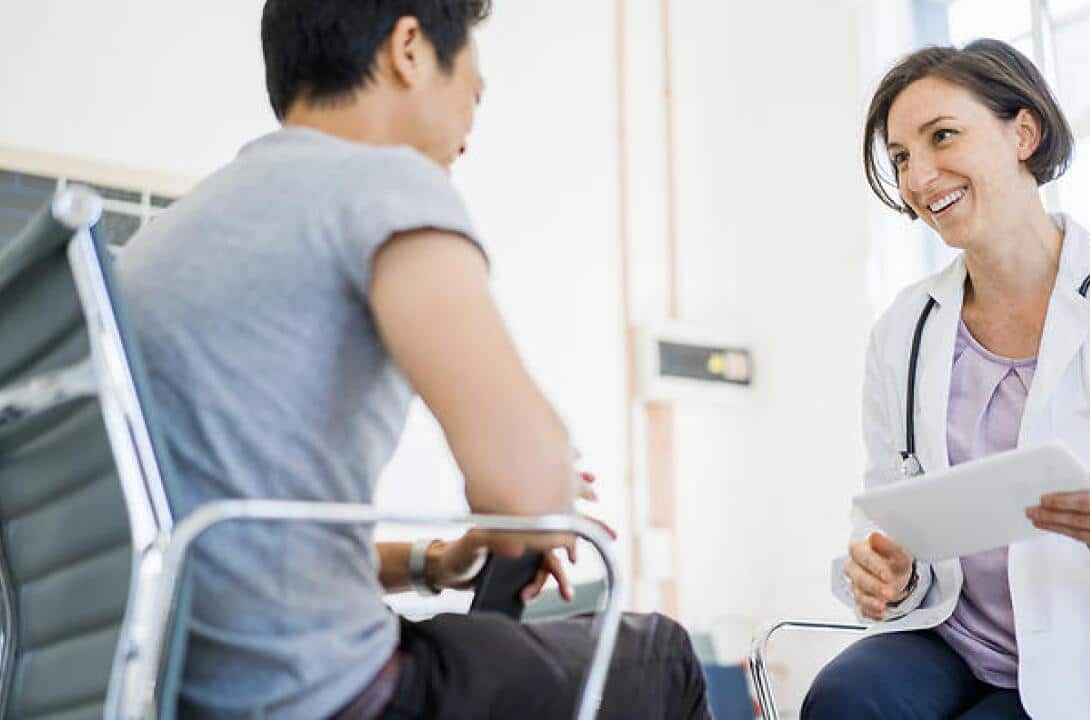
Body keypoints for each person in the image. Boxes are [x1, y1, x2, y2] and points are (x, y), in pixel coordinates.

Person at [118, 1, 711, 718]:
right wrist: (540, 495)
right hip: (325, 694)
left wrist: (439, 561)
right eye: (472, 92)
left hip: (181, 691)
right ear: (408, 49)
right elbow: (528, 490)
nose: (467, 131)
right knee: (662, 657)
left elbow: (235, 543)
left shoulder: (162, 242)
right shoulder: (385, 185)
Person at [802, 39, 1090, 719]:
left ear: (1023, 134)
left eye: (943, 136)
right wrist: (887, 568)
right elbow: (886, 499)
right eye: (902, 157)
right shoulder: (904, 330)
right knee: (846, 697)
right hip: (952, 640)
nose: (919, 177)